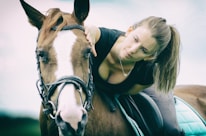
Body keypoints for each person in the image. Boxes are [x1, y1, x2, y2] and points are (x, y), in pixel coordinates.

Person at [85, 16, 185, 136]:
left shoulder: (147, 72)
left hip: (142, 85)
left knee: (171, 130)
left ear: (149, 57)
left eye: (143, 50)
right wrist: (87, 31)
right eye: (135, 39)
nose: (133, 49)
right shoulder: (105, 39)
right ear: (129, 31)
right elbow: (94, 31)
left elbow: (128, 92)